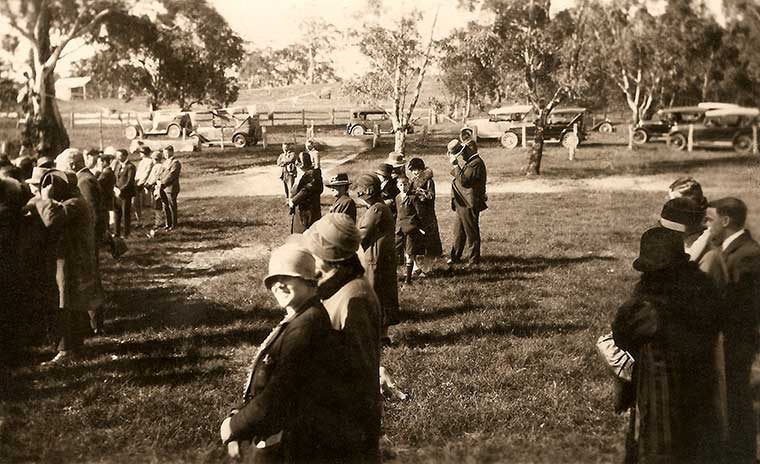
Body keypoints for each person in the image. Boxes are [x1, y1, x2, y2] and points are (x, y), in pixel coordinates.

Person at [220, 242, 359, 462]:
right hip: (276, 434)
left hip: (287, 444)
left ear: (309, 281)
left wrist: (235, 426)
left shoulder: (307, 325)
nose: (278, 285)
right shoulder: (300, 316)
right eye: (273, 280)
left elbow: (280, 393)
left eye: (287, 278)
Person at [612, 227, 724, 463]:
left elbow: (620, 334)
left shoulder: (647, 308)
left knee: (660, 450)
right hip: (702, 388)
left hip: (662, 395)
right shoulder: (703, 290)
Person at [303, 213, 382, 462]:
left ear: (328, 259)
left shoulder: (353, 299)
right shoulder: (340, 286)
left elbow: (357, 367)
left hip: (348, 421)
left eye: (313, 253)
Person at [705, 197, 760, 463]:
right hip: (730, 339)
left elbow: (740, 307)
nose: (709, 226)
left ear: (725, 221)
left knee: (737, 398)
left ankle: (742, 455)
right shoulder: (735, 249)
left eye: (711, 220)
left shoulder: (748, 256)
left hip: (738, 341)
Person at [32, 170, 103, 364]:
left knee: (65, 304)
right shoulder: (75, 202)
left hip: (71, 262)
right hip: (74, 260)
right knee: (72, 303)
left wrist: (44, 199)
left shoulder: (74, 205)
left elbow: (52, 220)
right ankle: (75, 347)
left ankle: (66, 350)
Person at [354, 173, 399, 342]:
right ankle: (381, 336)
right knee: (380, 296)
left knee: (377, 296)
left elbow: (361, 234)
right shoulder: (377, 207)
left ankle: (380, 337)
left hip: (377, 260)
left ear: (367, 192)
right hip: (378, 259)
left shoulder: (376, 209)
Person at [447, 138, 487, 267]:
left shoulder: (476, 163)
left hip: (469, 203)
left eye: (463, 152)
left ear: (470, 150)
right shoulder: (471, 162)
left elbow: (464, 181)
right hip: (462, 202)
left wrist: (455, 165)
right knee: (458, 231)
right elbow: (460, 176)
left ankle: (473, 261)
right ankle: (455, 257)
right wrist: (456, 169)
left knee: (471, 232)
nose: (462, 155)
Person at [408, 157, 443, 268]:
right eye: (413, 170)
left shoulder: (429, 181)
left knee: (430, 239)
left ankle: (431, 262)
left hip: (427, 214)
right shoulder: (413, 180)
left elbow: (431, 196)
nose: (415, 172)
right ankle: (420, 262)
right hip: (418, 212)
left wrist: (421, 193)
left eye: (417, 170)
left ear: (422, 169)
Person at [394, 175, 424, 284]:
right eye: (400, 185)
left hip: (411, 229)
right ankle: (396, 275)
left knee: (410, 252)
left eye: (405, 184)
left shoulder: (413, 198)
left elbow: (420, 214)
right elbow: (397, 213)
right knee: (396, 250)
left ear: (409, 185)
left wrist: (418, 226)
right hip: (399, 229)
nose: (403, 187)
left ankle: (408, 279)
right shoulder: (397, 197)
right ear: (397, 186)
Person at [288, 151, 322, 234]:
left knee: (307, 232)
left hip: (308, 210)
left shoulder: (313, 175)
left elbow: (306, 190)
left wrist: (293, 200)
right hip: (301, 209)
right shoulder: (305, 174)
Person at [113, 149, 136, 237]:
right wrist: (115, 187)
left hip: (126, 194)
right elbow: (115, 177)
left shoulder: (130, 166)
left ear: (125, 156)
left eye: (119, 155)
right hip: (117, 193)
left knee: (125, 213)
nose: (118, 157)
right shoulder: (118, 165)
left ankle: (126, 233)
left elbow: (129, 181)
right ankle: (116, 232)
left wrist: (121, 190)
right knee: (117, 212)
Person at [158, 145, 181, 230]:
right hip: (162, 187)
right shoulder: (165, 162)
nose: (166, 155)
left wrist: (163, 182)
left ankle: (174, 225)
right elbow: (160, 173)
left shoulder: (175, 162)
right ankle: (168, 224)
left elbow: (172, 175)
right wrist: (158, 180)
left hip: (171, 187)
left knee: (172, 206)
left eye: (167, 153)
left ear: (172, 152)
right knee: (165, 206)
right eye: (164, 153)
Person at [145, 150, 166, 239]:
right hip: (158, 186)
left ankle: (159, 222)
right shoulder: (162, 166)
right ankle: (161, 221)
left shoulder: (157, 167)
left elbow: (154, 177)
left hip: (157, 186)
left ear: (155, 159)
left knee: (158, 204)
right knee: (159, 204)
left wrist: (148, 184)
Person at [133, 145, 154, 228]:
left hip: (145, 185)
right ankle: (139, 221)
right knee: (136, 204)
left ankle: (146, 222)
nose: (140, 154)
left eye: (141, 152)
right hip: (137, 184)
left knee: (145, 204)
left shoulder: (150, 161)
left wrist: (140, 183)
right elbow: (138, 174)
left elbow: (146, 173)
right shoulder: (142, 162)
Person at [97, 152, 117, 237]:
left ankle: (107, 232)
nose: (100, 164)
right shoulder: (109, 171)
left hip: (105, 196)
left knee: (104, 214)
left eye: (100, 162)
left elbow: (98, 183)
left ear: (104, 162)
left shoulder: (106, 173)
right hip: (108, 195)